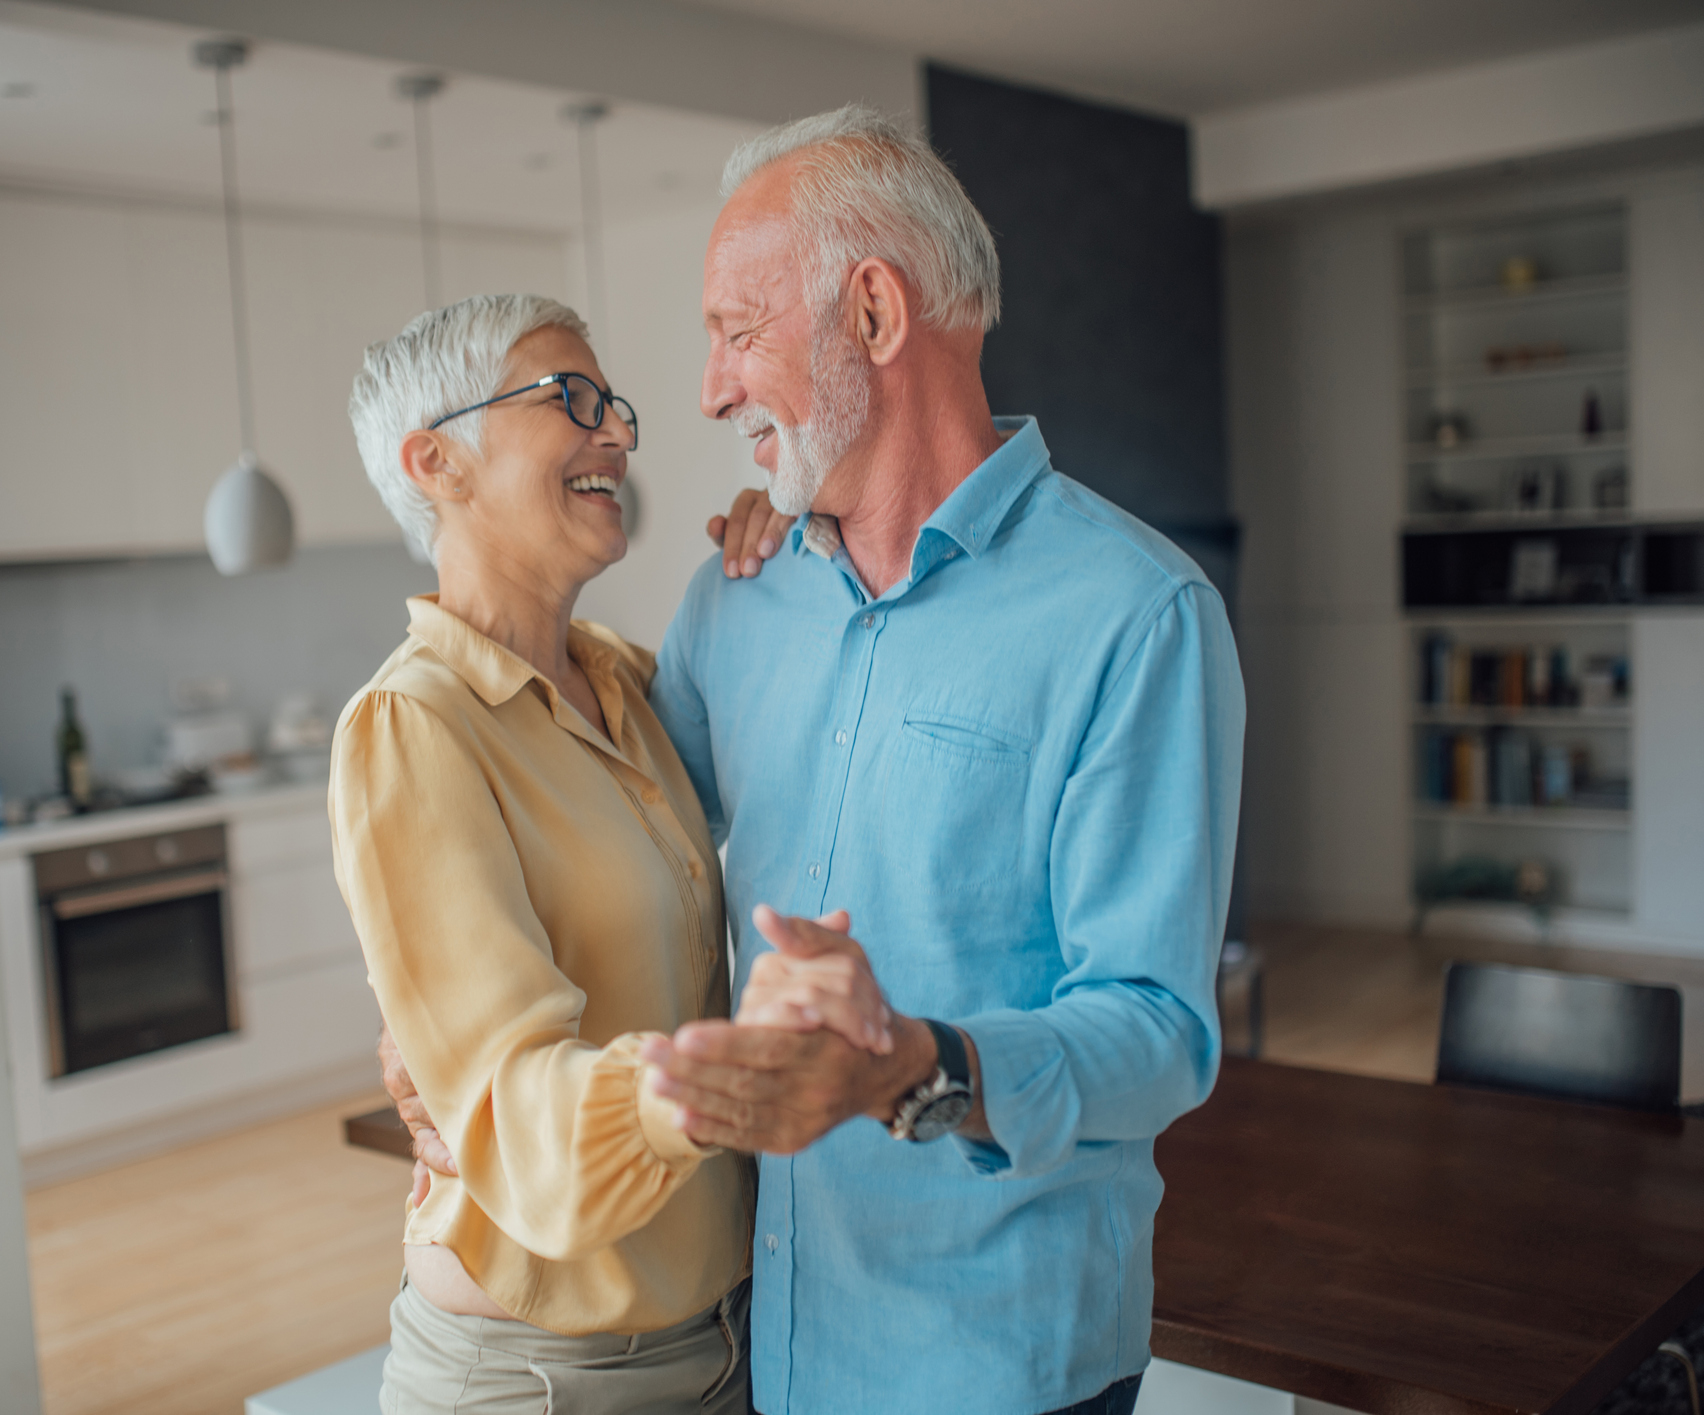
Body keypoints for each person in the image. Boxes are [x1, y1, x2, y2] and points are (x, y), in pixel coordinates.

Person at [387, 105, 1244, 1415]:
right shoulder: (734, 598)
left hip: (997, 1364)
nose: (707, 388)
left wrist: (918, 1062)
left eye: (736, 330)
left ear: (872, 314)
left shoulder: (1134, 613)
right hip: (761, 1342)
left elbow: (1158, 1028)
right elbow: (621, 855)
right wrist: (438, 1041)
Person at [331, 292, 799, 1415]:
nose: (622, 432)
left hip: (726, 1341)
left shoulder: (627, 685)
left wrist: (789, 562)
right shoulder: (415, 724)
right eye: (571, 399)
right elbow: (512, 1103)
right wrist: (727, 1073)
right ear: (436, 460)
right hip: (538, 1382)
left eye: (614, 403)